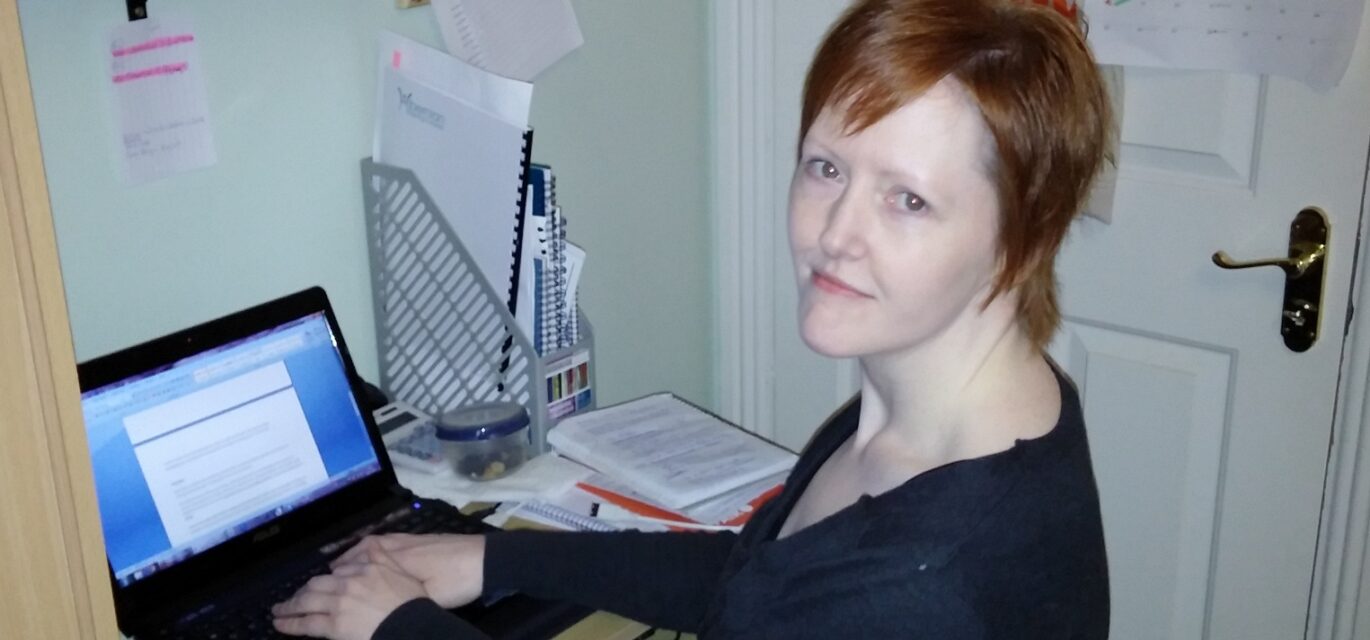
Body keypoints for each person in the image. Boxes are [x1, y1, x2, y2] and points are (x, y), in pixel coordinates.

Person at [272, 0, 1113, 637]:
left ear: (1022, 236)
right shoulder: (939, 414)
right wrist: (496, 556)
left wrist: (395, 626)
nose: (833, 234)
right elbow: (763, 577)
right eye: (826, 166)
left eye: (909, 199)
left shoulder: (926, 585)